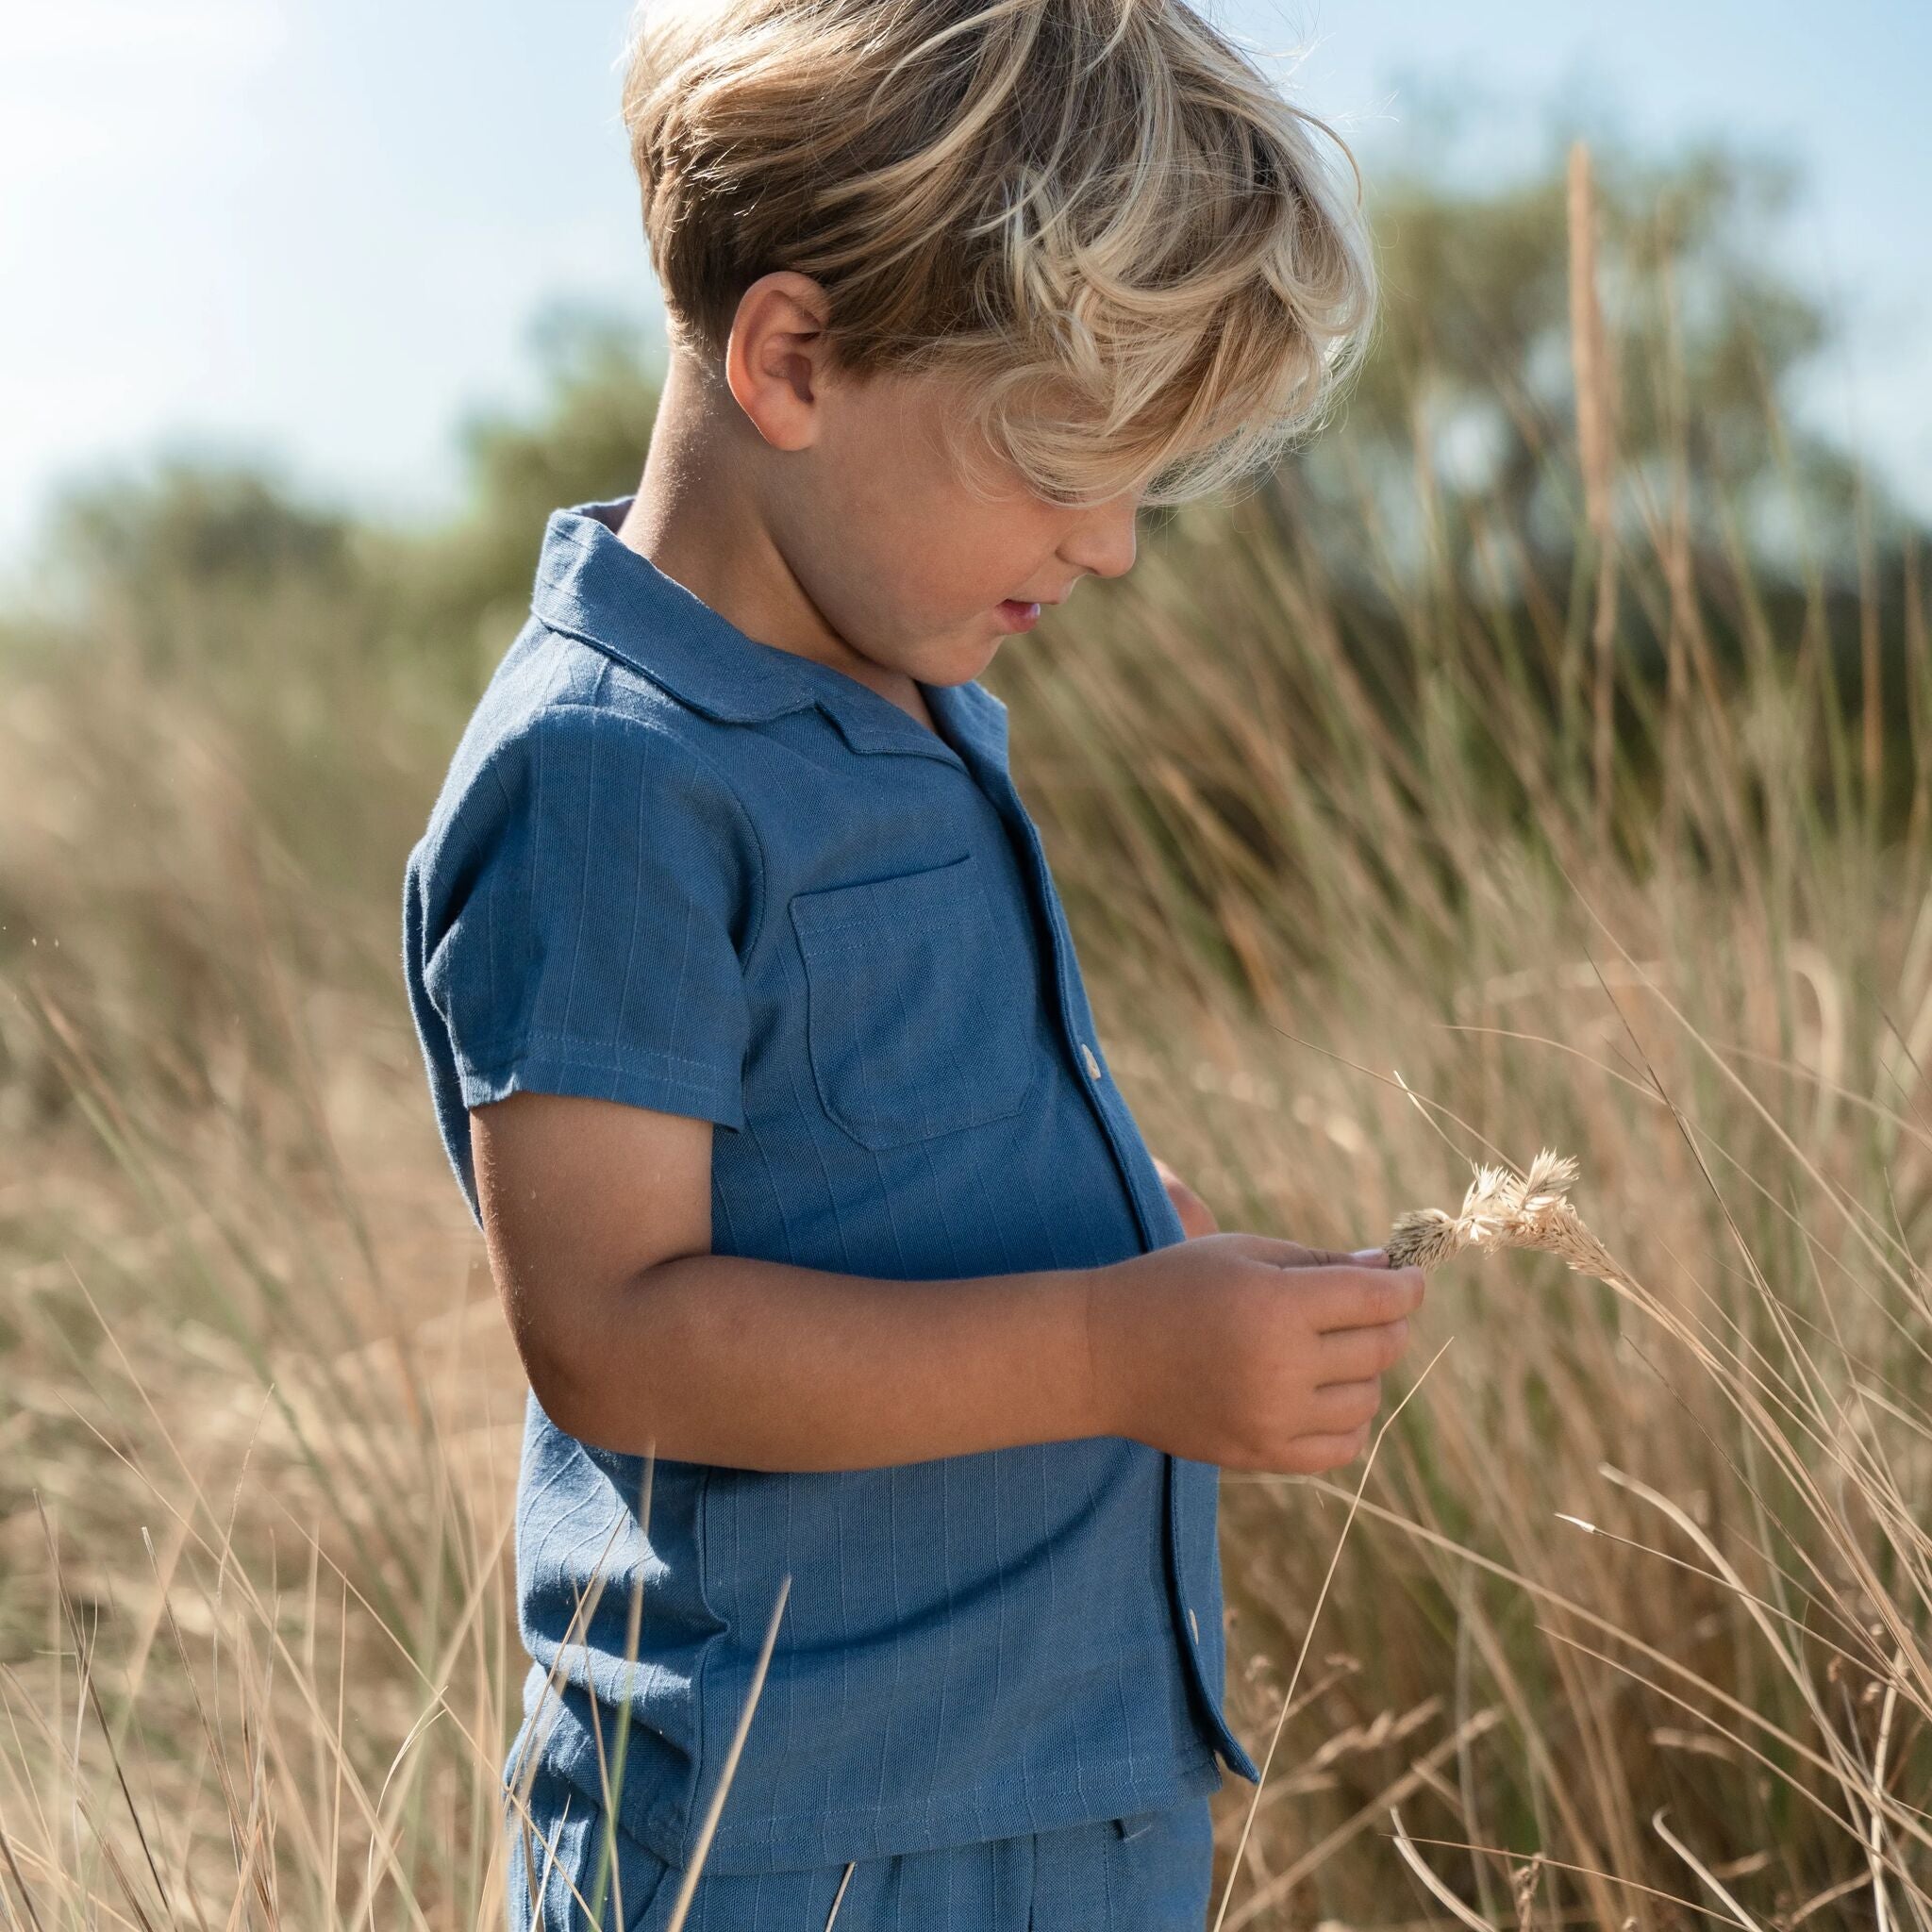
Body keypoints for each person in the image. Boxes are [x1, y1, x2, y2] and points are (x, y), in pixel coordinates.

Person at [400, 0, 1414, 1922]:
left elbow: (868, 1149)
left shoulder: (920, 703)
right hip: (792, 1845)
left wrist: (1132, 1235)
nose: (1111, 547)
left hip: (1068, 1792)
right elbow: (612, 1328)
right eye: (1058, 464)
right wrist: (1120, 1349)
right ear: (793, 356)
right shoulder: (609, 772)